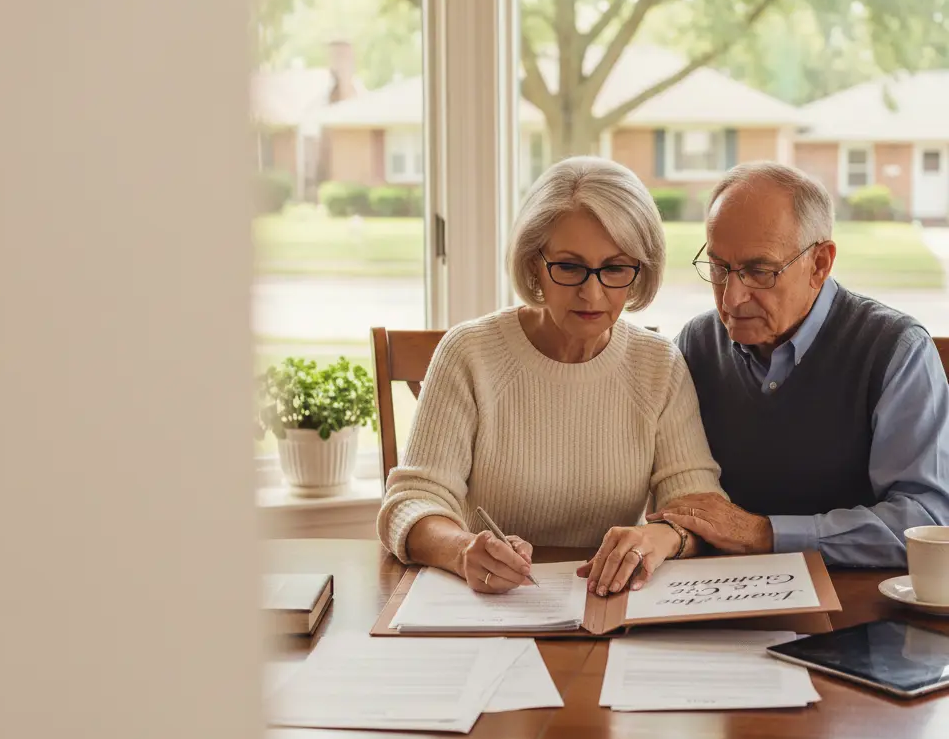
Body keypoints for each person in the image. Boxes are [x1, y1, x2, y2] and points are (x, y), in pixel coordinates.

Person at [377, 156, 724, 596]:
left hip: (608, 604)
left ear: (641, 271)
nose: (592, 293)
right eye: (569, 266)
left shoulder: (660, 365)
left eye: (615, 268)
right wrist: (464, 550)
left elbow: (698, 508)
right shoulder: (469, 353)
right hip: (489, 608)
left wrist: (658, 538)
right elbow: (410, 502)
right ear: (533, 264)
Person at [655, 161, 949, 566]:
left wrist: (765, 534)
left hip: (854, 609)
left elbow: (927, 521)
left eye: (759, 271)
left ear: (820, 264)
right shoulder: (696, 344)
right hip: (719, 600)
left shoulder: (895, 350)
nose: (731, 298)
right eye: (720, 268)